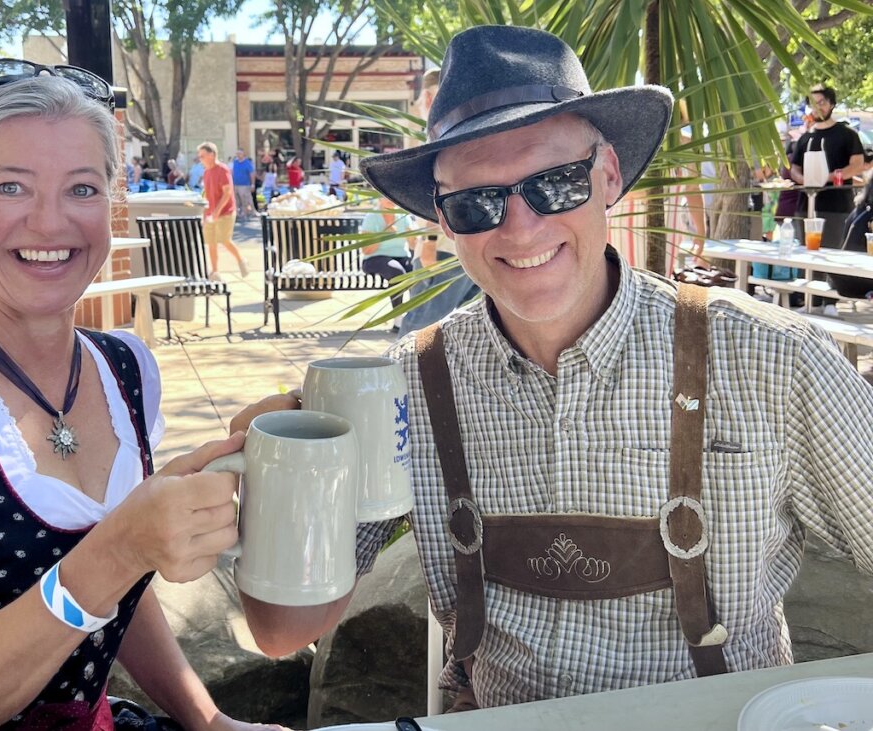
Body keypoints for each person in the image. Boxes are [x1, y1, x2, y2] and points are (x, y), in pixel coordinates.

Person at [233, 26, 873, 712]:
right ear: (445, 223)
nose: (519, 227)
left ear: (607, 177)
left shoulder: (771, 359)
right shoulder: (403, 390)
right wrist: (274, 483)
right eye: (475, 202)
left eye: (555, 182)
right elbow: (281, 632)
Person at [0, 63, 283, 730]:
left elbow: (121, 598)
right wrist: (120, 547)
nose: (49, 223)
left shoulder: (127, 370)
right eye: (11, 186)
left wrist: (208, 720)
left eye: (81, 188)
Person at [398, 67, 481, 338]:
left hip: (446, 248)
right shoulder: (467, 134)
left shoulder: (441, 138)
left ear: (430, 98)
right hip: (467, 246)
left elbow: (434, 195)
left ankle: (399, 377)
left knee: (422, 325)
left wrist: (428, 242)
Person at [789, 86, 864, 247]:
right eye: (813, 104)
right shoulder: (804, 138)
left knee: (834, 257)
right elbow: (794, 168)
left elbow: (857, 165)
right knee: (806, 257)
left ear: (831, 104)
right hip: (805, 207)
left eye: (821, 102)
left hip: (837, 207)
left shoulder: (847, 134)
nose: (818, 108)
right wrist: (804, 179)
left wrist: (829, 177)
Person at [359, 196, 416, 321]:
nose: (390, 199)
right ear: (379, 198)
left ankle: (415, 315)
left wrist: (415, 236)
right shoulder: (372, 217)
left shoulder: (403, 217)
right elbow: (366, 250)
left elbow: (413, 244)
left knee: (417, 272)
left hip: (402, 257)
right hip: (374, 258)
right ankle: (397, 317)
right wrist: (384, 234)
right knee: (397, 272)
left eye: (392, 196)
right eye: (386, 197)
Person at [198, 141, 249, 278]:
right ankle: (215, 272)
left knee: (224, 240)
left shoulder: (223, 169)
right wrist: (204, 215)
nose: (200, 159)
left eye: (202, 156)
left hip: (225, 212)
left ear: (212, 155)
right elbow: (207, 195)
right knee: (211, 243)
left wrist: (216, 212)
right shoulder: (206, 172)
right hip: (211, 212)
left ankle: (241, 261)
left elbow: (227, 193)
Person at [230, 149, 256, 221]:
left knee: (245, 200)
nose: (238, 155)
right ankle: (237, 214)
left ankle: (246, 214)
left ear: (243, 154)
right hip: (235, 184)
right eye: (237, 154)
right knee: (236, 200)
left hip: (244, 185)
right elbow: (232, 172)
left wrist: (252, 184)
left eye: (240, 154)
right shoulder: (235, 162)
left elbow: (252, 174)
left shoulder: (247, 163)